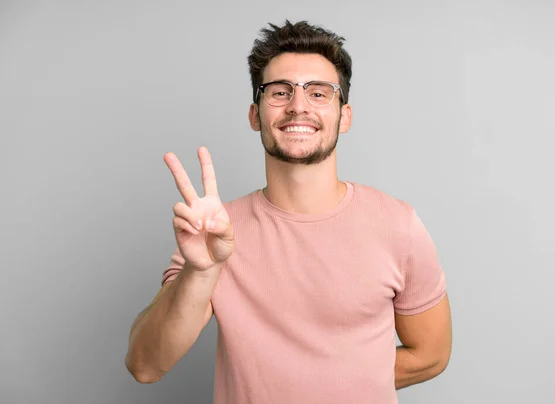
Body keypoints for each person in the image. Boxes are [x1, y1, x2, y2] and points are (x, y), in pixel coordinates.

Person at [125, 20, 452, 404]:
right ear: (255, 114)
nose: (298, 106)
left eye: (318, 93)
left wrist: (330, 384)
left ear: (344, 116)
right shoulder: (213, 235)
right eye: (280, 92)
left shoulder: (398, 225)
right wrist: (202, 270)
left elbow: (431, 354)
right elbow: (145, 365)